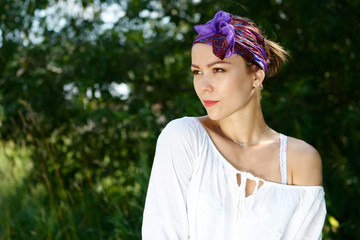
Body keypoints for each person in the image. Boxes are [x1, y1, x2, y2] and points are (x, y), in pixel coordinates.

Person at [142, 10, 326, 240]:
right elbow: (161, 232)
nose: (204, 86)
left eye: (218, 69)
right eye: (197, 72)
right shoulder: (183, 138)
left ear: (257, 76)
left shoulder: (300, 160)